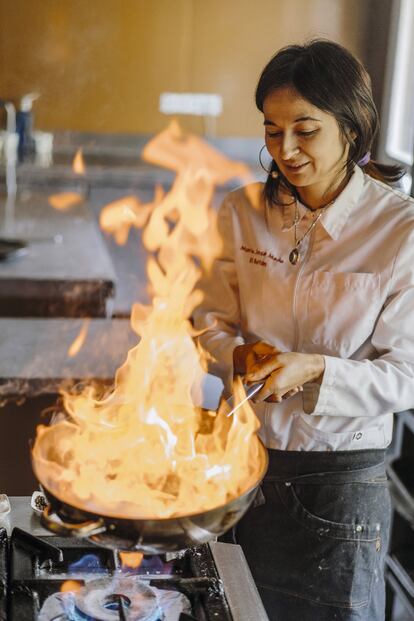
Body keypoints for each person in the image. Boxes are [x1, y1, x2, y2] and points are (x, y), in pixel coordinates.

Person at [193, 39, 414, 621]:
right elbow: (204, 325)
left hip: (338, 490)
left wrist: (317, 370)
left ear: (353, 128)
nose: (285, 149)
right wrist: (236, 356)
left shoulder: (399, 230)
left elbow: (406, 377)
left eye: (305, 130)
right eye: (271, 130)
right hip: (238, 468)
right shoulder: (241, 212)